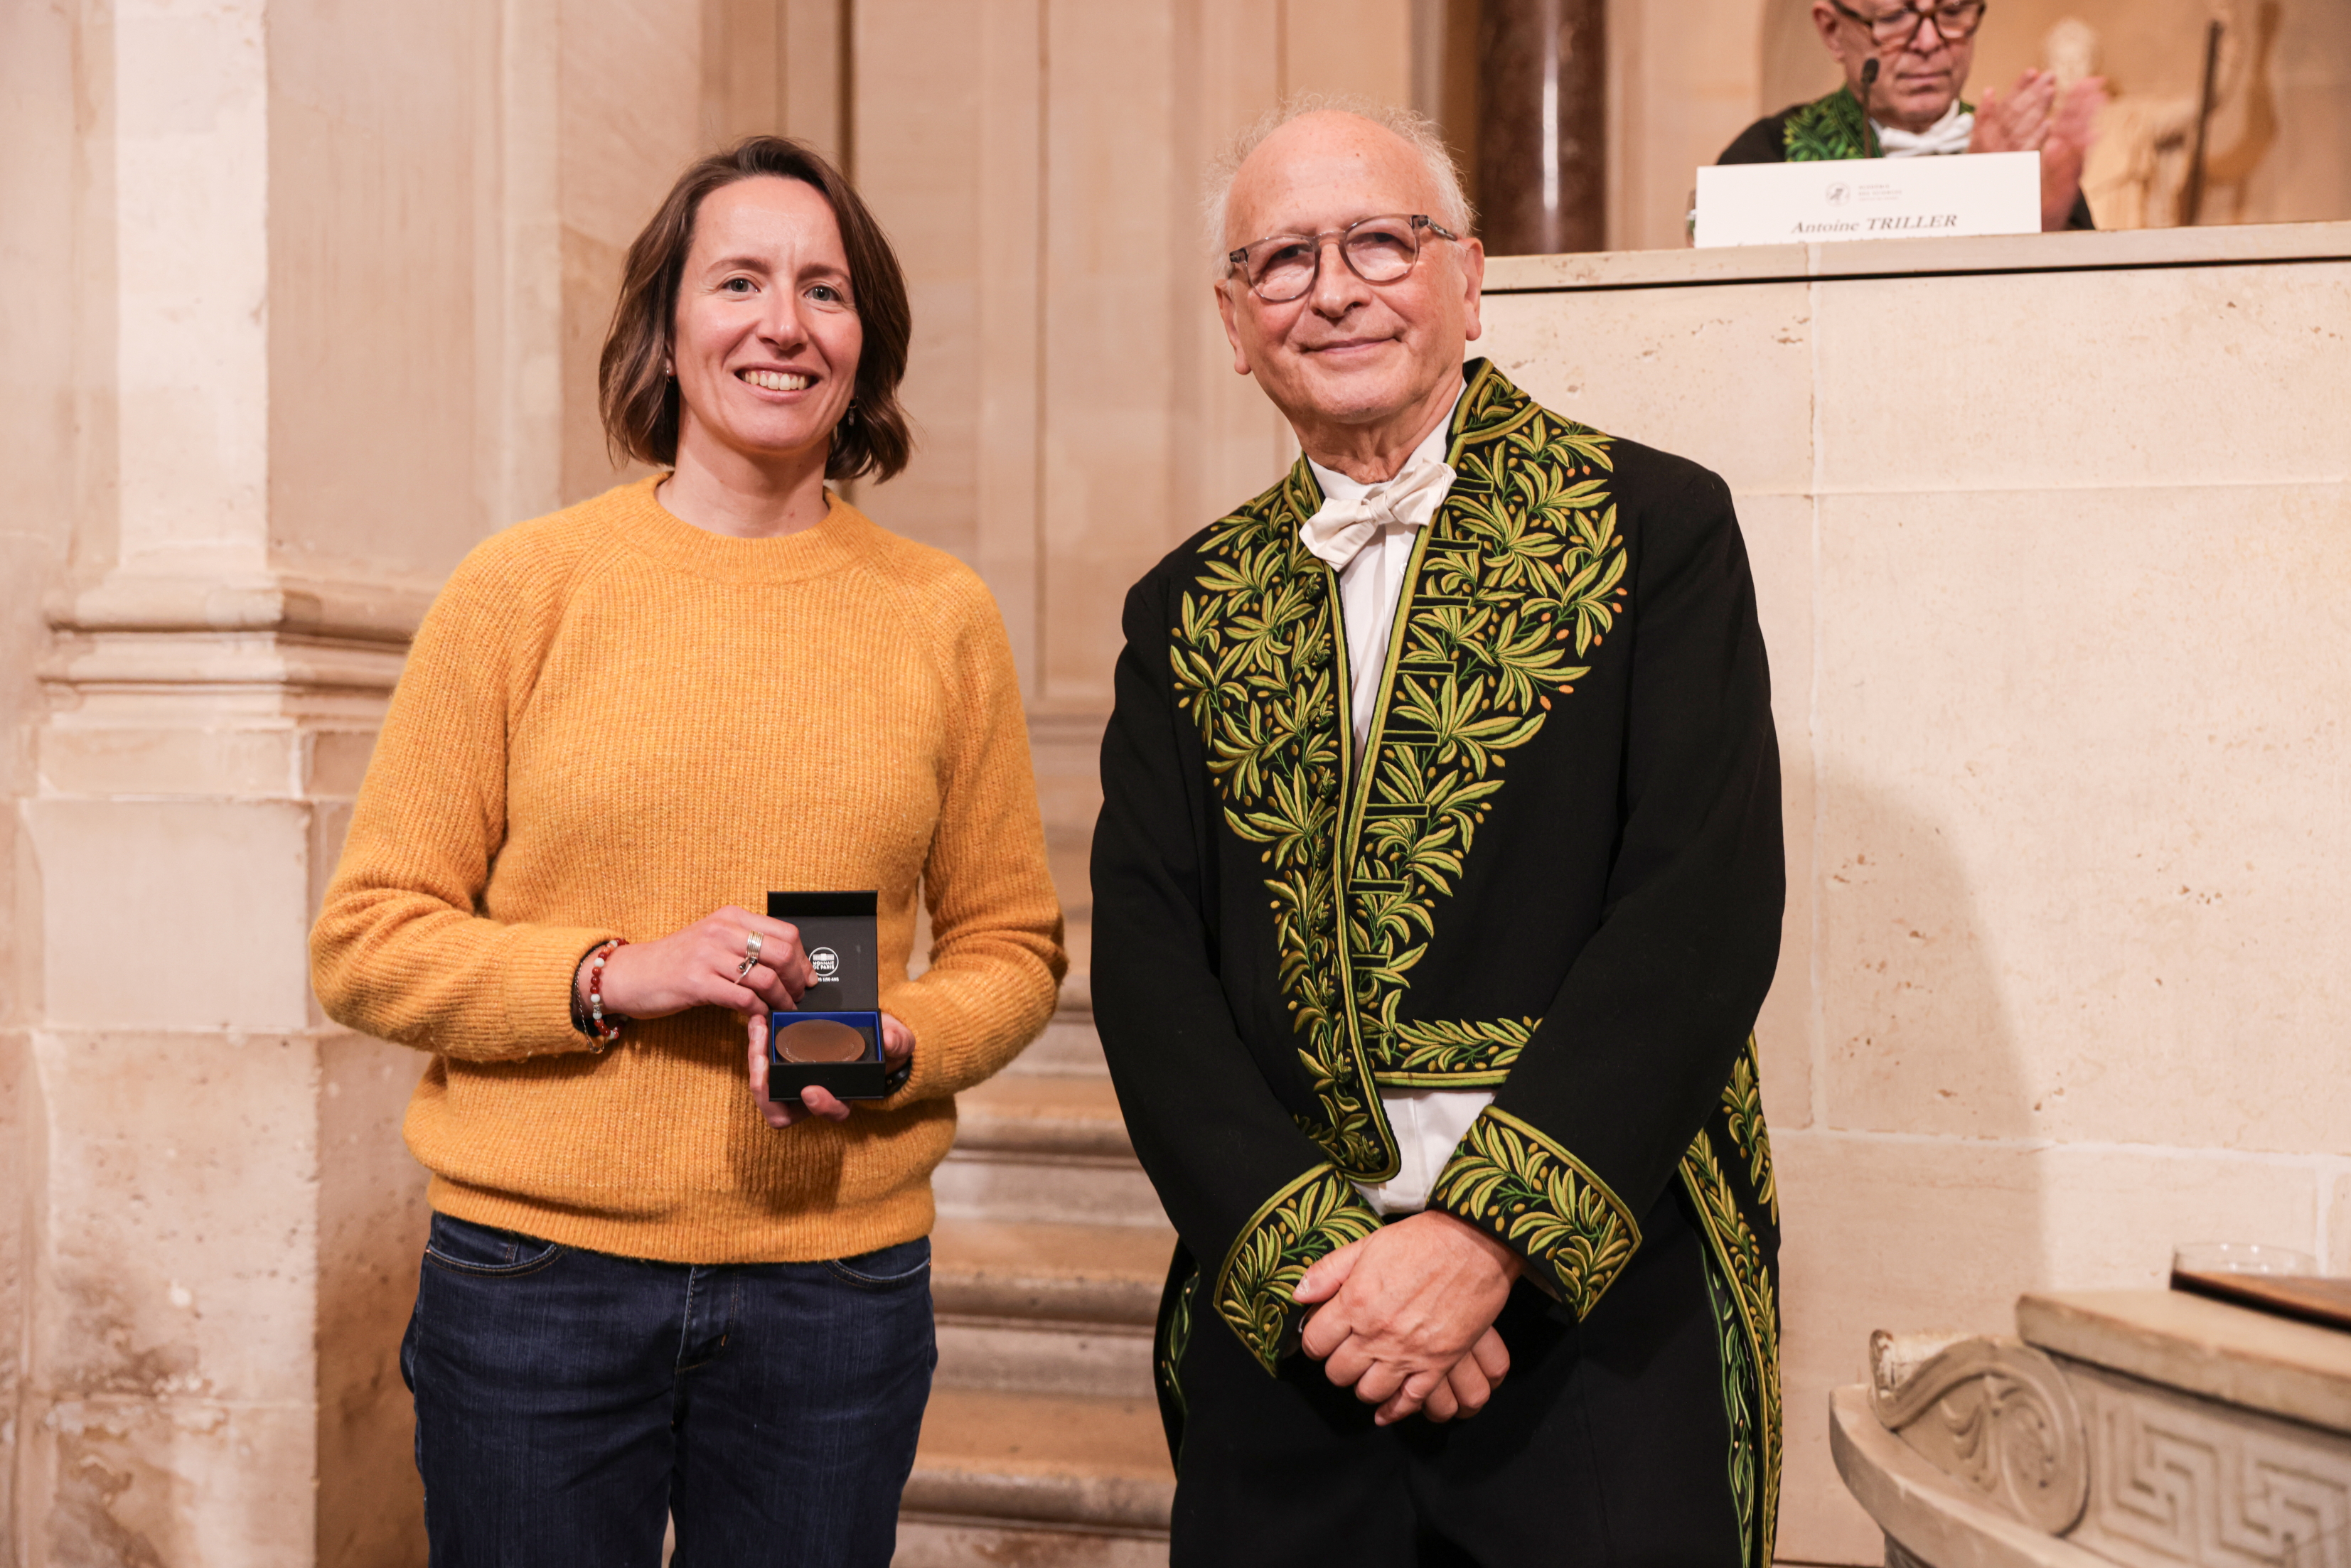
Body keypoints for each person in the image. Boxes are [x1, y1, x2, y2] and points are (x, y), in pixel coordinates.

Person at [310, 135, 1064, 1566]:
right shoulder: (522, 590)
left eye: (825, 290)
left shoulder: (937, 614)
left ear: (864, 342)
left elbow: (1013, 947)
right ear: (667, 329)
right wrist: (610, 973)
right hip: (534, 1276)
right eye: (740, 281)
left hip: (832, 1285)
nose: (784, 321)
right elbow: (367, 938)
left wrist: (893, 1037)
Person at [1092, 101, 1785, 1566]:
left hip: (1593, 1311)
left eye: (1378, 242)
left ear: (1466, 280)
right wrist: (1315, 1270)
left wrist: (1483, 1244)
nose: (1332, 287)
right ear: (1234, 322)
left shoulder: (1658, 525)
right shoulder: (1181, 606)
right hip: (1296, 1323)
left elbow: (1698, 909)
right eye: (1282, 259)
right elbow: (1151, 970)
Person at [1720, 0, 2106, 232]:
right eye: (1895, 16)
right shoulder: (1765, 157)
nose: (1929, 41)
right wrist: (1979, 197)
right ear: (1832, 30)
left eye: (1952, 11)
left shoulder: (2026, 161)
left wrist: (2040, 226)